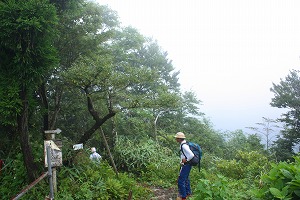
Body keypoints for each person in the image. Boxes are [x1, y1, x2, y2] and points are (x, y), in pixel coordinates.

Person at [175, 132, 194, 200]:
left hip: (187, 165)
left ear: (179, 139)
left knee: (181, 180)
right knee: (186, 179)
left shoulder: (184, 146)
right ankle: (188, 192)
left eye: (176, 138)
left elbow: (191, 155)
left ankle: (183, 196)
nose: (175, 139)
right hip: (186, 164)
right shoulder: (184, 144)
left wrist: (186, 160)